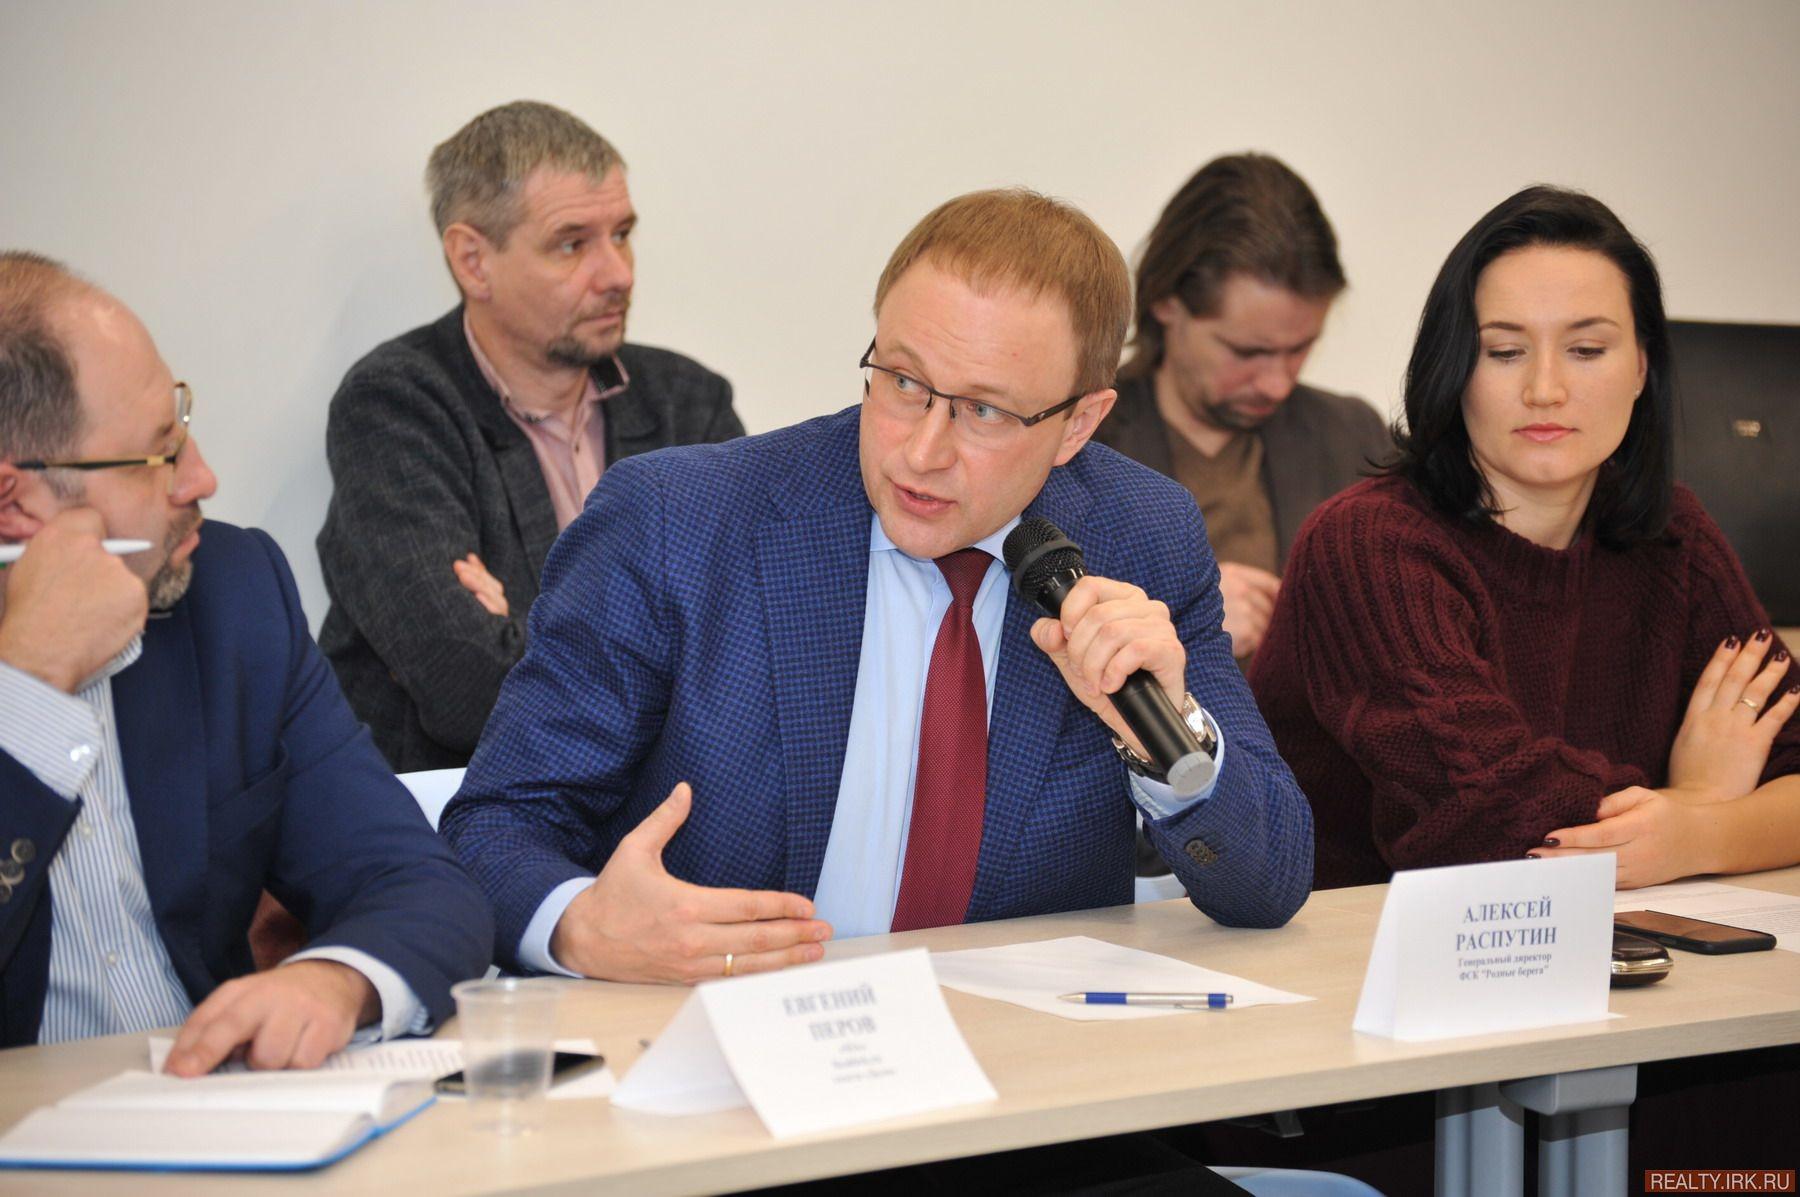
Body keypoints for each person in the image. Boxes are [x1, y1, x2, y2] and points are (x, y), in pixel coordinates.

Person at [442, 189, 1313, 983]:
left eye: (983, 410)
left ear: (1079, 423)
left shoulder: (1139, 536)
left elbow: (1268, 883)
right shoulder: (680, 521)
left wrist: (1171, 730)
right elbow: (495, 824)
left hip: (1022, 1073)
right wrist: (582, 926)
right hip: (734, 1046)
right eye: (902, 382)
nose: (921, 451)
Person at [0, 253, 492, 1069]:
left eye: (182, 427)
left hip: (213, 1107)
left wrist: (336, 980)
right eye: (158, 455)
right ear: (15, 502)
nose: (202, 477)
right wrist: (28, 690)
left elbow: (419, 882)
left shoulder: (227, 593)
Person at [1248, 186, 1800, 891]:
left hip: (1610, 937)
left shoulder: (1672, 535)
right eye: (1505, 351)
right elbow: (1493, 823)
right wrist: (1700, 800)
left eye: (1587, 349)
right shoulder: (1367, 545)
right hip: (1358, 945)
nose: (1545, 388)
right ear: (1453, 369)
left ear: (1642, 367)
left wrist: (1695, 829)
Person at [317, 100, 744, 772]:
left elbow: (748, 651)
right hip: (454, 817)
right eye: (572, 244)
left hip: (659, 811)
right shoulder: (395, 407)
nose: (619, 273)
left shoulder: (688, 404)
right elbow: (465, 687)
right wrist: (657, 642)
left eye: (622, 234)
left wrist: (524, 627)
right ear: (473, 261)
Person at [1095, 153, 1390, 664]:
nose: (1277, 384)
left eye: (1300, 348)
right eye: (1247, 352)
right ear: (1166, 303)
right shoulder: (1078, 440)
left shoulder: (1351, 439)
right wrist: (1190, 620)